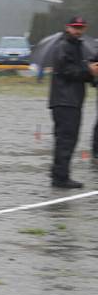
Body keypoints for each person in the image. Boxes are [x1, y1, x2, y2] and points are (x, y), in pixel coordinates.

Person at [49, 16, 98, 188]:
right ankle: (60, 177)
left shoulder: (77, 46)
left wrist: (91, 74)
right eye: (75, 27)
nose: (78, 30)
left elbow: (79, 72)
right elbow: (68, 71)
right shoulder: (64, 46)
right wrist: (89, 71)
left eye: (81, 27)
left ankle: (60, 174)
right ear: (68, 27)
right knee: (66, 139)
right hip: (65, 100)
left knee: (67, 139)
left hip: (72, 100)